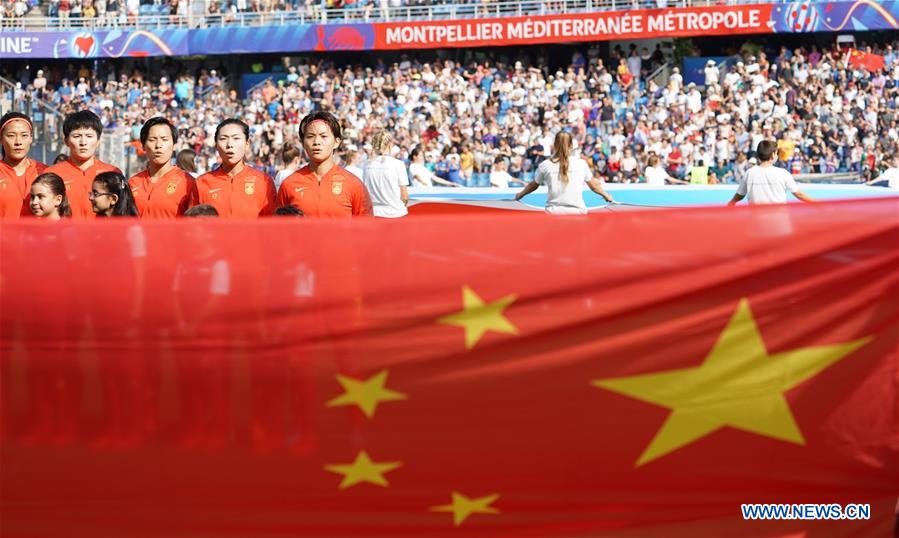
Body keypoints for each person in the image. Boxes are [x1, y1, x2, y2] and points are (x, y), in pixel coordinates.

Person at [276, 111, 373, 218]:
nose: (317, 141)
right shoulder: (289, 184)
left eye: (323, 136)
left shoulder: (354, 185)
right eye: (310, 136)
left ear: (336, 142)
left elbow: (367, 229)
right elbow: (279, 229)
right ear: (303, 143)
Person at [190, 118, 276, 218]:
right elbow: (193, 225)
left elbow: (271, 226)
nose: (230, 144)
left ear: (247, 143)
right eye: (223, 139)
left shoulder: (264, 181)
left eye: (236, 138)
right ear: (216, 145)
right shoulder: (202, 182)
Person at [44, 110, 121, 219]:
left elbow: (122, 212)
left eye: (89, 136)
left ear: (98, 141)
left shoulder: (113, 172)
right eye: (76, 136)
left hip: (102, 235)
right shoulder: (51, 174)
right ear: (66, 141)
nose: (83, 142)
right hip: (64, 235)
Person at [514, 131, 614, 214]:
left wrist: (520, 195)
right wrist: (606, 195)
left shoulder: (545, 164)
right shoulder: (581, 163)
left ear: (555, 145)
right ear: (571, 145)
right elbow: (594, 185)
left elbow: (533, 185)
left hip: (553, 213)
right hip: (578, 213)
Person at [129, 117, 196, 218]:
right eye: (152, 140)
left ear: (174, 145)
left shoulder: (188, 183)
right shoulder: (132, 183)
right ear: (143, 146)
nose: (158, 145)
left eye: (164, 139)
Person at [728, 140, 814, 205]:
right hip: (778, 220)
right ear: (773, 155)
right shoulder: (782, 173)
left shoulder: (749, 173)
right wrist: (817, 203)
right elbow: (798, 194)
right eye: (777, 153)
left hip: (756, 221)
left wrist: (731, 203)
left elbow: (740, 195)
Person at [0, 112, 47, 218]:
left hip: (39, 234)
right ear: (1, 139)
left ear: (31, 138)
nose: (18, 142)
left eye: (24, 135)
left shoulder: (44, 172)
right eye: (11, 136)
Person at [362, 131, 408, 218]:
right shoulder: (398, 164)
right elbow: (404, 196)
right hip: (396, 214)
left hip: (374, 214)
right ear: (390, 145)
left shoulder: (366, 164)